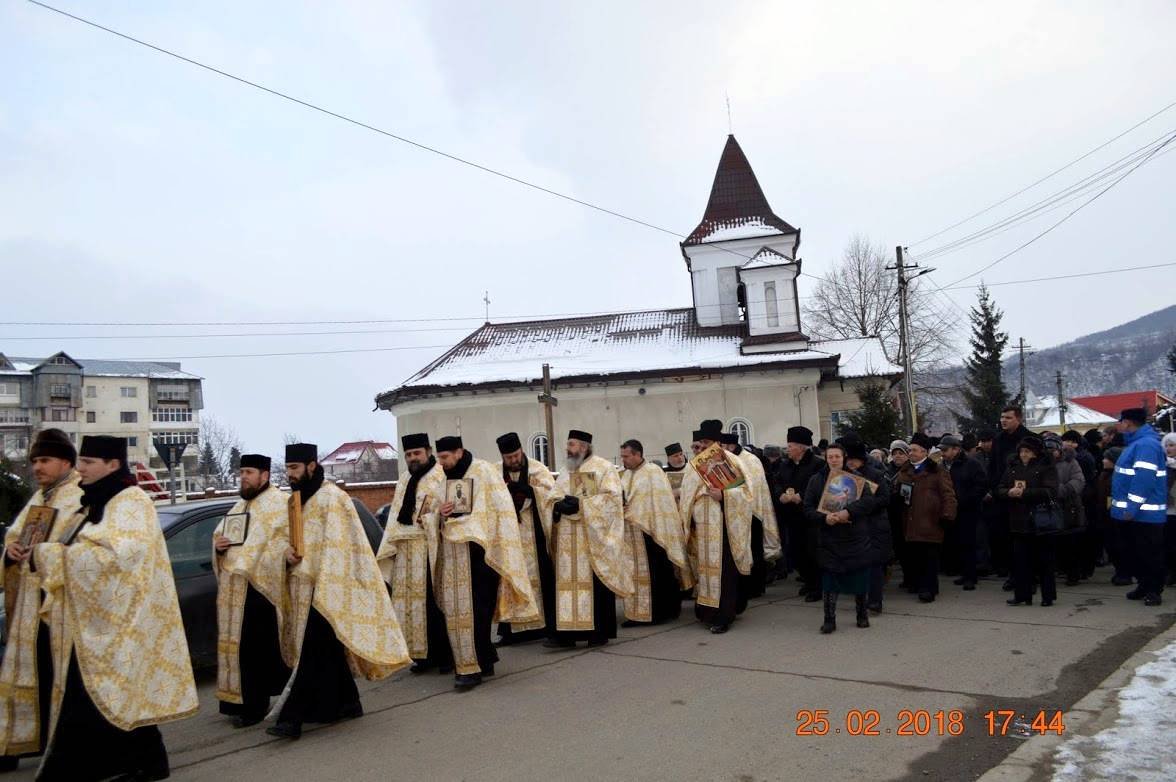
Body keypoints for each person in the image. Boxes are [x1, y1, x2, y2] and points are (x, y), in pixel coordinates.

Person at [33, 435, 197, 780]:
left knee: (103, 695)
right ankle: (148, 763)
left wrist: (53, 556)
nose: (80, 469)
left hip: (124, 619)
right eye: (81, 461)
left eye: (88, 462)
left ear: (112, 464)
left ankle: (123, 765)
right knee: (116, 694)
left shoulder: (132, 502)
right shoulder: (93, 501)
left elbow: (118, 557)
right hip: (96, 618)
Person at [270, 443, 410, 739]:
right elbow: (282, 537)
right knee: (328, 648)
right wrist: (285, 553)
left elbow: (343, 545)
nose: (290, 474)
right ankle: (349, 702)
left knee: (311, 650)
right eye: (288, 469)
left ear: (311, 466)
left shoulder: (332, 498)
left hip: (331, 585)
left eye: (294, 468)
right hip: (302, 588)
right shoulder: (295, 501)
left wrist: (326, 580)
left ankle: (291, 719)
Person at [422, 436, 538, 686]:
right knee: (457, 613)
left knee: (478, 613)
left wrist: (467, 524)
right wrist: (439, 515)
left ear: (459, 452)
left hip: (481, 554)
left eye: (445, 457)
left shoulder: (483, 471)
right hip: (453, 557)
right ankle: (483, 660)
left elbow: (499, 510)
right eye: (439, 458)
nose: (441, 463)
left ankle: (471, 669)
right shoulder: (444, 480)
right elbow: (430, 513)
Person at [0, 430, 82, 771]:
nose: (37, 467)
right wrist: (10, 553)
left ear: (66, 462)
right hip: (30, 604)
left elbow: (77, 550)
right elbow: (14, 537)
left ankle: (60, 748)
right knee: (25, 675)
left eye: (45, 460)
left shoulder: (79, 496)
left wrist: (44, 555)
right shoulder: (39, 498)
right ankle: (18, 744)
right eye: (34, 461)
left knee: (57, 677)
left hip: (59, 603)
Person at [213, 454, 291, 728]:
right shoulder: (240, 505)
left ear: (264, 475)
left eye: (249, 472)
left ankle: (255, 706)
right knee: (239, 650)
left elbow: (284, 544)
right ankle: (236, 702)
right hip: (235, 590)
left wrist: (249, 563)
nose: (243, 477)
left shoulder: (280, 504)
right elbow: (221, 536)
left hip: (262, 590)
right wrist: (219, 547)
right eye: (241, 472)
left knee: (256, 652)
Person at [548, 430, 633, 647]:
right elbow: (553, 495)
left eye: (572, 444)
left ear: (584, 447)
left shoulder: (604, 468)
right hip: (568, 540)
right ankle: (566, 636)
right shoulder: (566, 470)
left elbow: (612, 500)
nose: (568, 448)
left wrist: (582, 505)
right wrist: (557, 505)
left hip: (592, 540)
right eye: (568, 444)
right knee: (567, 586)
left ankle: (597, 634)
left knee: (594, 587)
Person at [679, 419, 757, 633]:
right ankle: (706, 611)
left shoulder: (732, 460)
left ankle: (723, 616)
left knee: (724, 574)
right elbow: (687, 495)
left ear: (716, 442)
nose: (703, 446)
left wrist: (723, 495)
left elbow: (747, 495)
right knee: (704, 572)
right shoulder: (694, 465)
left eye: (707, 442)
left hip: (724, 528)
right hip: (702, 528)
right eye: (701, 442)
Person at [377, 433, 447, 668]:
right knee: (409, 605)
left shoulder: (440, 475)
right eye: (408, 455)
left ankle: (443, 656)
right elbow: (395, 516)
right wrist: (390, 547)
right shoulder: (404, 479)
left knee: (433, 603)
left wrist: (431, 518)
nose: (412, 458)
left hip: (430, 547)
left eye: (416, 453)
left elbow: (445, 510)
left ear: (428, 452)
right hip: (406, 550)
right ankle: (421, 655)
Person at [493, 432, 560, 646]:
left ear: (521, 450)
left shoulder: (538, 469)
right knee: (508, 580)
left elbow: (552, 496)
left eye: (516, 455)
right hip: (507, 537)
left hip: (534, 534)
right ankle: (512, 632)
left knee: (541, 578)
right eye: (509, 457)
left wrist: (531, 491)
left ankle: (544, 627)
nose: (514, 460)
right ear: (502, 457)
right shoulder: (494, 473)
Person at [619, 440, 691, 626]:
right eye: (622, 456)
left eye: (626, 456)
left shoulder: (653, 472)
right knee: (635, 574)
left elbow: (660, 502)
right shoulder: (625, 475)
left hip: (654, 533)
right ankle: (638, 614)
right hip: (632, 534)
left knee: (658, 573)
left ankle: (661, 613)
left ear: (637, 454)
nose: (623, 460)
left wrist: (632, 511)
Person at [1110, 409, 1168, 606]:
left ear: (1128, 422)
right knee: (1136, 553)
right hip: (1135, 514)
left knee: (1150, 554)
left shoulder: (1146, 445)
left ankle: (1154, 590)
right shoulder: (1137, 443)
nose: (1118, 425)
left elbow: (1143, 479)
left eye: (1120, 421)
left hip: (1144, 514)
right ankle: (1144, 585)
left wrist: (1132, 508)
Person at [894, 433, 957, 603]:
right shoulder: (905, 471)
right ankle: (917, 583)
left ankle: (929, 589)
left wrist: (947, 515)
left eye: (915, 450)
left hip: (931, 521)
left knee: (929, 558)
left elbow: (948, 495)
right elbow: (899, 493)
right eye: (910, 450)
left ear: (924, 452)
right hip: (910, 520)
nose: (911, 453)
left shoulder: (937, 471)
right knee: (915, 556)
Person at [998, 435, 1059, 607]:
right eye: (1021, 451)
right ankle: (1022, 594)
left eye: (1027, 451)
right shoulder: (1013, 467)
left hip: (1040, 520)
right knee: (1020, 561)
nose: (1024, 455)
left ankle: (1048, 596)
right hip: (1018, 520)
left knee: (1044, 561)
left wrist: (1025, 493)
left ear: (1036, 453)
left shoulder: (1046, 467)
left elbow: (1050, 491)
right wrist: (1008, 492)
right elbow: (1000, 487)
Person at [720, 432, 782, 600]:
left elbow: (753, 488)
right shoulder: (727, 459)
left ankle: (756, 587)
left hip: (753, 512)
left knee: (754, 549)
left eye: (723, 446)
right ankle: (743, 586)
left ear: (731, 446)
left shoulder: (750, 460)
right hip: (734, 511)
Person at [774, 426, 824, 601]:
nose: (787, 449)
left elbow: (820, 486)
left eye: (790, 446)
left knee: (811, 552)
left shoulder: (817, 464)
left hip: (810, 517)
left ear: (801, 447)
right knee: (795, 552)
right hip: (790, 516)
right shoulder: (785, 464)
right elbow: (777, 482)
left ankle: (817, 586)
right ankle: (808, 581)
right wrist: (780, 494)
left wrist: (801, 496)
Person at [990, 406, 1033, 589]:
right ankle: (1013, 575)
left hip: (1026, 498)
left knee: (1026, 540)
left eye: (1008, 417)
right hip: (1003, 495)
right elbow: (993, 467)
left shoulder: (1029, 439)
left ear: (1018, 419)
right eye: (1002, 417)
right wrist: (994, 489)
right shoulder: (998, 439)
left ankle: (1029, 576)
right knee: (1006, 538)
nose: (1003, 420)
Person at [941, 434, 987, 591]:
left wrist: (966, 499)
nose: (943, 453)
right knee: (958, 543)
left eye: (946, 450)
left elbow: (981, 485)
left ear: (956, 449)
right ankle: (964, 573)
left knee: (969, 544)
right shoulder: (944, 465)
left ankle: (971, 576)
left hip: (968, 510)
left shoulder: (971, 464)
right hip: (952, 510)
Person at [1044, 434, 1087, 587]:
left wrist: (1061, 490)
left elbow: (1079, 481)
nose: (1050, 453)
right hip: (1048, 507)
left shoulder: (1070, 462)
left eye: (1053, 450)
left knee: (1070, 543)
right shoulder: (1042, 463)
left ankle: (1072, 573)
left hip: (1068, 507)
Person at [1062, 429, 1101, 579]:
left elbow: (1085, 481)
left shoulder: (1081, 458)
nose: (1065, 444)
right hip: (1082, 499)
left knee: (1083, 536)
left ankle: (1084, 568)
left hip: (1083, 500)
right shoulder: (1080, 456)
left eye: (1068, 441)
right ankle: (1083, 568)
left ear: (1075, 443)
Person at [1164, 432, 1176, 587]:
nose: (1168, 448)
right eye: (1166, 445)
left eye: (1172, 445)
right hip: (1167, 510)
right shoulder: (1165, 466)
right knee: (1169, 544)